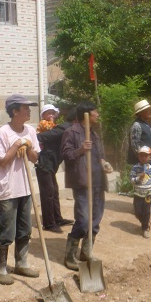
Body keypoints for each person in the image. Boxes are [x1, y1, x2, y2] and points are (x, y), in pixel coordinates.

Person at [0, 94, 41, 285]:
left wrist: (28, 146)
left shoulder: (30, 130)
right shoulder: (3, 133)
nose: (29, 111)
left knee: (25, 228)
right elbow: (3, 162)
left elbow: (34, 158)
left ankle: (21, 263)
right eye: (25, 108)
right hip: (8, 189)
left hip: (25, 187)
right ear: (15, 111)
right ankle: (1, 267)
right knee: (7, 229)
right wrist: (16, 145)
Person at [61, 102, 114, 270]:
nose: (98, 115)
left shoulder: (94, 134)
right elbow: (66, 155)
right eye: (95, 112)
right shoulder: (72, 132)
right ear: (86, 115)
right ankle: (70, 256)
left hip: (98, 181)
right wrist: (81, 150)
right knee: (83, 220)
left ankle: (86, 251)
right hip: (83, 182)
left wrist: (104, 163)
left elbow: (100, 156)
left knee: (96, 220)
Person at [35, 107, 74, 233]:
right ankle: (49, 223)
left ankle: (57, 218)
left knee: (54, 191)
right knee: (48, 193)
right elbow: (40, 137)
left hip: (52, 164)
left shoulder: (69, 128)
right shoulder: (63, 128)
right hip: (44, 163)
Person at [129, 99, 151, 214]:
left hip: (148, 159)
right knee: (140, 184)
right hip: (142, 160)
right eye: (147, 110)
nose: (149, 111)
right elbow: (134, 143)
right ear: (141, 113)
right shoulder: (137, 125)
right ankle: (138, 207)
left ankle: (150, 205)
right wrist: (141, 159)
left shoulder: (146, 124)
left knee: (150, 182)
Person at [131, 146, 151, 238]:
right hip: (138, 194)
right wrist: (138, 178)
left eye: (145, 156)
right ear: (138, 157)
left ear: (149, 157)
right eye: (141, 156)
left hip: (148, 194)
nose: (143, 158)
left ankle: (145, 229)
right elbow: (131, 180)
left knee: (147, 212)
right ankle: (145, 222)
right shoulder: (135, 168)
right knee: (137, 212)